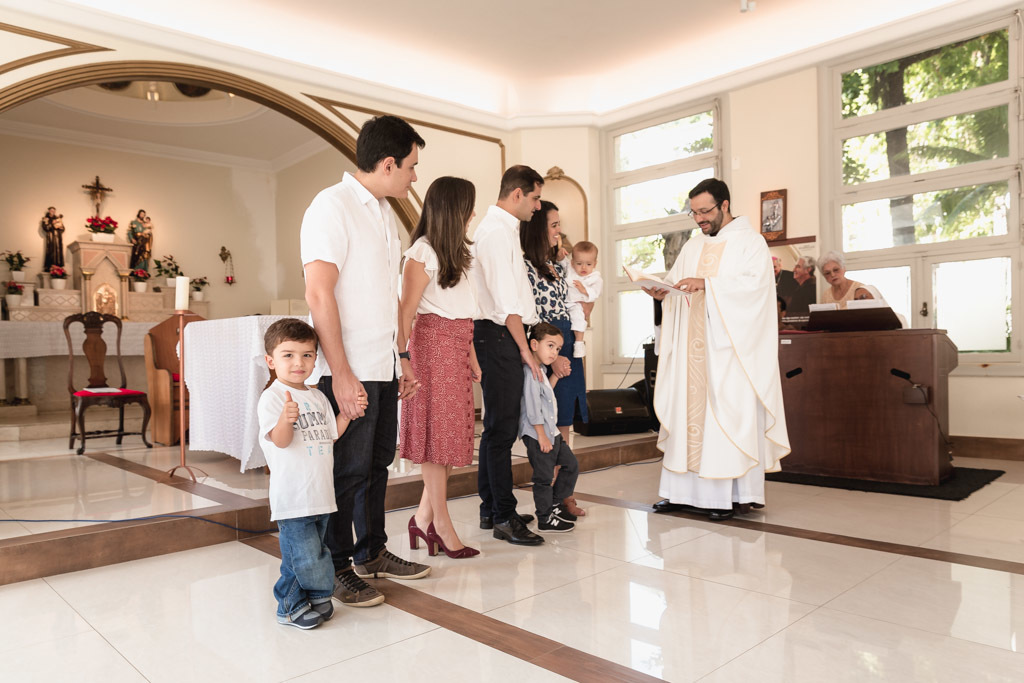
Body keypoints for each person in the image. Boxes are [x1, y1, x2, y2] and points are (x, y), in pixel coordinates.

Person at [301, 115, 430, 609]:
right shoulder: (330, 206)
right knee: (346, 471)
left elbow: (387, 296)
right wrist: (341, 373)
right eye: (411, 167)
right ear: (388, 163)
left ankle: (371, 551)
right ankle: (336, 566)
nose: (414, 177)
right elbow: (319, 293)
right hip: (348, 366)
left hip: (383, 364)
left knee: (377, 465)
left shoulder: (383, 212)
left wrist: (403, 357)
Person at [644, 178, 790, 521]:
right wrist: (663, 294)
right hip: (691, 357)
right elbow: (678, 288)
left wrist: (708, 285)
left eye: (705, 211)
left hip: (729, 355)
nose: (699, 219)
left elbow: (756, 292)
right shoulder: (693, 246)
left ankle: (731, 497)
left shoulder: (751, 242)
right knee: (688, 419)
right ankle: (680, 493)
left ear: (724, 205)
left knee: (726, 421)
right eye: (694, 213)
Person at [257, 318, 366, 630]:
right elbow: (280, 441)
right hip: (293, 496)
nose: (298, 363)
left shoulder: (317, 397)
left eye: (306, 355)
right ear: (271, 361)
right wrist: (285, 420)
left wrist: (348, 413)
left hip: (320, 493)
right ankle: (289, 606)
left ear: (315, 359)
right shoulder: (273, 397)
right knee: (300, 556)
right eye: (288, 355)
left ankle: (316, 597)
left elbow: (331, 435)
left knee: (317, 551)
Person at [398, 176, 482, 559]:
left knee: (450, 439)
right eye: (468, 207)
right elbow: (406, 312)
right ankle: (441, 526)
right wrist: (403, 359)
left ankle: (421, 518)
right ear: (452, 210)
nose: (473, 214)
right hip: (432, 349)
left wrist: (471, 355)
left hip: (457, 346)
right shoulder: (422, 253)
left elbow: (462, 311)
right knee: (437, 440)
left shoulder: (457, 254)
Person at [471, 165, 546, 547]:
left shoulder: (503, 230)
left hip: (500, 335)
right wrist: (525, 350)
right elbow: (506, 305)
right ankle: (503, 515)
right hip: (500, 334)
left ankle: (491, 508)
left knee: (496, 430)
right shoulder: (496, 233)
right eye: (535, 198)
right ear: (517, 194)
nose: (538, 206)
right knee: (501, 432)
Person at [520, 201, 589, 445]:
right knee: (551, 415)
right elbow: (531, 318)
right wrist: (554, 354)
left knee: (566, 416)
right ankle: (551, 466)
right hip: (548, 344)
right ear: (538, 229)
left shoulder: (555, 265)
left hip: (567, 340)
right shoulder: (525, 267)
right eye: (554, 225)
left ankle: (564, 467)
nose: (559, 230)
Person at [519, 322, 580, 533]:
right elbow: (532, 408)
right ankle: (545, 518)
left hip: (551, 432)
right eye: (550, 346)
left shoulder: (542, 370)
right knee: (544, 478)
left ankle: (554, 503)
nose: (554, 352)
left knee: (571, 465)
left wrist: (555, 376)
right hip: (539, 434)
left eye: (558, 348)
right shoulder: (530, 372)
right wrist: (541, 435)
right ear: (534, 345)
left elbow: (546, 396)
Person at [563, 240, 603, 358]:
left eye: (588, 264)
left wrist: (584, 290)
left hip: (578, 305)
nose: (583, 267)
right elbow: (563, 264)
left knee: (578, 319)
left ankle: (579, 343)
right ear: (572, 263)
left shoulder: (595, 278)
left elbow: (596, 293)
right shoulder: (571, 271)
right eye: (579, 263)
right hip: (565, 304)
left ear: (595, 264)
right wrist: (561, 256)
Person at [41, 206, 65, 271]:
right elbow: (46, 228)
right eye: (51, 211)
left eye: (54, 211)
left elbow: (63, 228)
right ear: (49, 211)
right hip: (51, 237)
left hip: (58, 237)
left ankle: (58, 266)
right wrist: (52, 223)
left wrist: (60, 226)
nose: (53, 212)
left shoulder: (57, 219)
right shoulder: (46, 219)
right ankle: (50, 266)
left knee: (58, 251)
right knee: (51, 251)